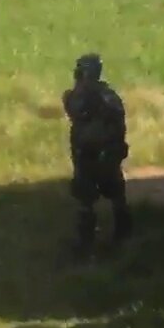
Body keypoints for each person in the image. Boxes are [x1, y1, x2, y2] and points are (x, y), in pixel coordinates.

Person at [63, 53, 131, 259]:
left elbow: (118, 123)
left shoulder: (105, 97)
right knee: (87, 198)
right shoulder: (83, 96)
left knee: (113, 194)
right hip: (87, 152)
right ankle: (88, 241)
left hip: (104, 152)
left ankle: (121, 235)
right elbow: (73, 108)